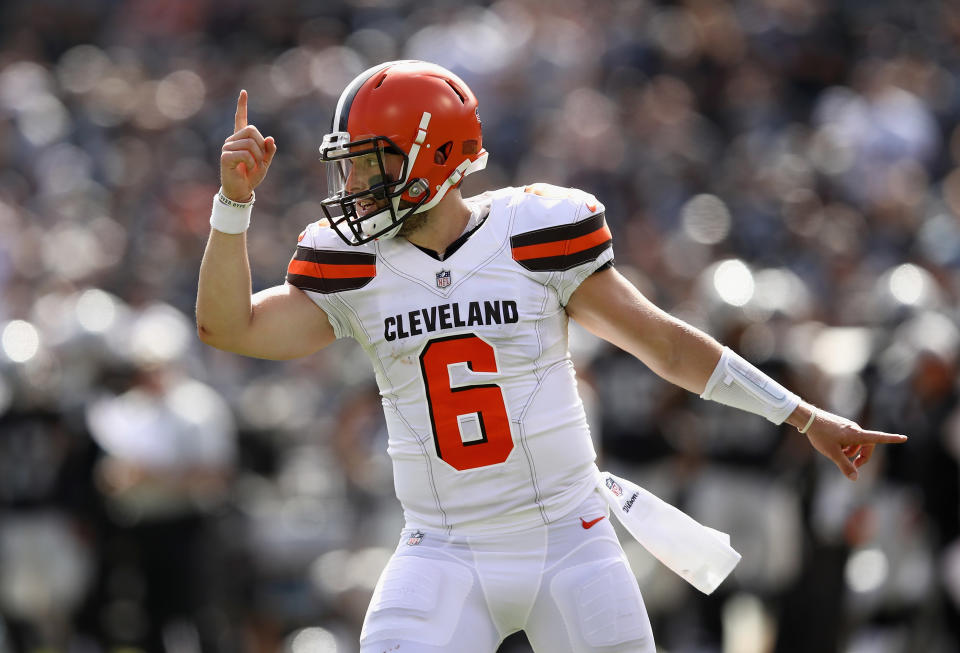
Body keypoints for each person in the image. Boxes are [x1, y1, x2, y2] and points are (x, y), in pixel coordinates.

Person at [196, 60, 907, 653]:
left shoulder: (534, 232)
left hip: (571, 537)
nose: (352, 183)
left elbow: (663, 343)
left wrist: (803, 414)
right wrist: (232, 209)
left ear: (435, 154)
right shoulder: (355, 265)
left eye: (371, 161)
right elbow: (228, 327)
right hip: (441, 548)